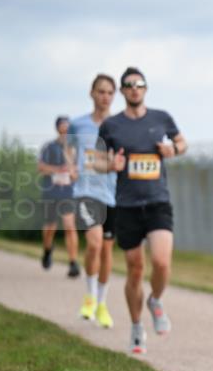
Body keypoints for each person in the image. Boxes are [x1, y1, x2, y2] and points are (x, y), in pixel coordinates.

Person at [98, 67, 187, 354]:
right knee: (135, 270)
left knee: (161, 262)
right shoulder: (111, 126)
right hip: (126, 205)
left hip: (158, 201)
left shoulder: (161, 118)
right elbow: (96, 161)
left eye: (139, 84)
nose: (134, 89)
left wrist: (174, 150)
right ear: (122, 91)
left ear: (145, 89)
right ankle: (137, 327)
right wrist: (110, 165)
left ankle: (155, 300)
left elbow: (182, 143)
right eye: (129, 85)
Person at [70, 74, 118, 328]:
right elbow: (69, 150)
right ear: (92, 93)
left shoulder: (120, 125)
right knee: (94, 243)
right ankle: (89, 295)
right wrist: (71, 166)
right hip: (86, 193)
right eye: (101, 91)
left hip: (114, 194)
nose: (105, 97)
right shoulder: (78, 125)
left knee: (107, 249)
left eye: (110, 92)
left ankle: (102, 303)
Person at [38, 116, 81, 277]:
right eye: (62, 129)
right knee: (51, 227)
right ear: (57, 129)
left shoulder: (75, 150)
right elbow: (41, 168)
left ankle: (73, 262)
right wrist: (58, 170)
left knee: (70, 225)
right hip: (51, 191)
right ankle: (48, 249)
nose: (65, 132)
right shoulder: (49, 147)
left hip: (68, 192)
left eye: (68, 130)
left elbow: (77, 174)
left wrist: (72, 172)